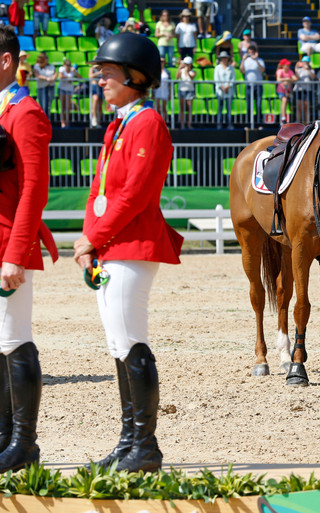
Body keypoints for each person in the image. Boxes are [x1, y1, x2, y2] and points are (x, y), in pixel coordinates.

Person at [74, 32, 183, 473]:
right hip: (110, 245)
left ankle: (146, 447)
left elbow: (135, 194)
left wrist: (93, 238)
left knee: (132, 342)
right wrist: (87, 239)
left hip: (132, 245)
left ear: (136, 77)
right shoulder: (120, 122)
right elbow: (101, 189)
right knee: (119, 345)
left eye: (110, 73)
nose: (101, 79)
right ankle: (128, 441)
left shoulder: (147, 124)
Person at [0, 24, 56, 475]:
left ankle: (23, 444)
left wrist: (16, 252)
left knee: (14, 340)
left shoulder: (26, 113)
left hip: (7, 244)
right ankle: (3, 437)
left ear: (5, 61)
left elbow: (34, 189)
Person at [240, 43, 265, 125]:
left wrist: (256, 60)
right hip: (249, 86)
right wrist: (243, 60)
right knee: (248, 105)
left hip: (258, 86)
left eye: (252, 52)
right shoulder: (246, 61)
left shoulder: (260, 60)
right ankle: (249, 123)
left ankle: (258, 123)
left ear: (255, 52)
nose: (251, 54)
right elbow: (242, 71)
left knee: (258, 105)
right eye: (249, 52)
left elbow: (263, 70)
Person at [57, 58, 80, 128]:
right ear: (64, 65)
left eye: (69, 65)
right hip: (62, 89)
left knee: (67, 107)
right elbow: (60, 76)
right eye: (67, 65)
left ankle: (67, 121)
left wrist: (75, 73)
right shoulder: (61, 69)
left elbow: (80, 77)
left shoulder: (73, 70)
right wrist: (69, 78)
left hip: (69, 90)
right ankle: (62, 122)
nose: (68, 66)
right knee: (62, 106)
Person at [214, 51, 234, 129]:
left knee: (229, 108)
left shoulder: (231, 68)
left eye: (225, 58)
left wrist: (227, 87)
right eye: (223, 58)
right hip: (220, 91)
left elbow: (233, 79)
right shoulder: (217, 68)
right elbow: (216, 79)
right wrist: (222, 87)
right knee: (220, 108)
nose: (224, 59)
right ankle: (219, 123)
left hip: (229, 91)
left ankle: (229, 123)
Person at [32, 53, 55, 119]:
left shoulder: (51, 66)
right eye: (46, 58)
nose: (47, 59)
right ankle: (44, 120)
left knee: (48, 105)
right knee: (43, 106)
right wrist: (47, 78)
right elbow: (37, 75)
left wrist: (53, 78)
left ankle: (47, 120)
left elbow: (55, 74)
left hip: (50, 87)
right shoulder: (36, 66)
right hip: (42, 88)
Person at [293, 56, 315, 124]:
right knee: (299, 107)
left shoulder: (311, 70)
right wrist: (296, 68)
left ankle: (307, 122)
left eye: (307, 62)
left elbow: (313, 77)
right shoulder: (299, 70)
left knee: (306, 107)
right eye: (304, 62)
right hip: (299, 89)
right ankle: (298, 122)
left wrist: (308, 69)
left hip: (308, 90)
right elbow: (296, 77)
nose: (305, 63)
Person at [176, 56, 196, 129]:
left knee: (189, 108)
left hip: (190, 91)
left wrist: (187, 71)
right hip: (182, 90)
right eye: (185, 64)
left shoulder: (193, 71)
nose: (186, 65)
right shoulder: (181, 70)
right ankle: (182, 125)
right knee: (182, 108)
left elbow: (191, 78)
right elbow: (177, 77)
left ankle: (189, 124)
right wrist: (179, 68)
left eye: (188, 64)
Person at [276, 58, 296, 125]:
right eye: (286, 65)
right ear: (283, 65)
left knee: (292, 102)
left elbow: (295, 78)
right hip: (281, 91)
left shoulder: (290, 71)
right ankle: (283, 118)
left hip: (288, 91)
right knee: (284, 100)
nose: (288, 66)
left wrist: (288, 80)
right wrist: (286, 79)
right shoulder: (280, 71)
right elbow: (278, 79)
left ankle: (293, 119)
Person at [154, 57, 170, 121]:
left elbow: (170, 84)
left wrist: (171, 93)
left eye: (162, 61)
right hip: (157, 90)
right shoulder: (156, 71)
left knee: (163, 108)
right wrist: (152, 93)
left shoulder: (167, 72)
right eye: (160, 61)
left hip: (165, 91)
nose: (161, 63)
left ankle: (163, 122)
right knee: (157, 107)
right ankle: (157, 121)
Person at [89, 63, 104, 127]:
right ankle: (94, 118)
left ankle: (98, 122)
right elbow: (90, 76)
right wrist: (98, 73)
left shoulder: (102, 68)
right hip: (94, 86)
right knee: (95, 99)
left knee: (100, 105)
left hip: (100, 87)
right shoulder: (92, 69)